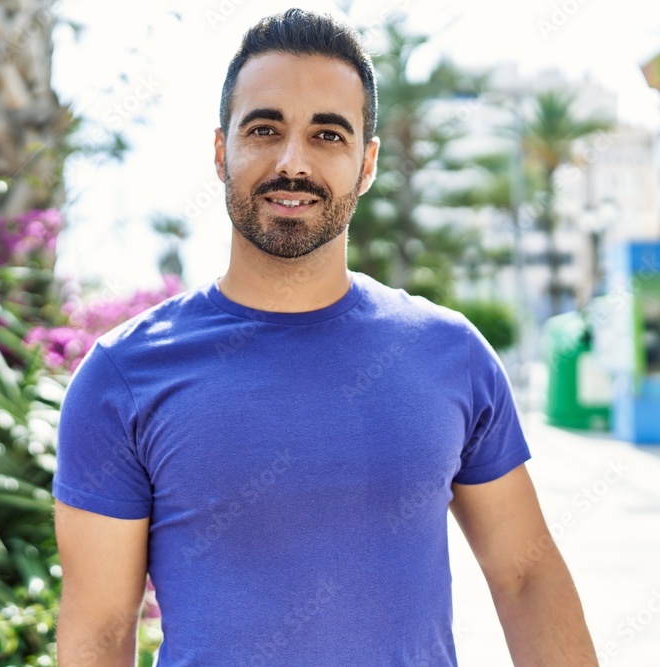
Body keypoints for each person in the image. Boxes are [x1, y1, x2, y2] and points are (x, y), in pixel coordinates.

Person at [53, 8, 597, 666]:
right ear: (221, 149)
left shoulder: (449, 355)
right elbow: (102, 631)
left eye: (327, 135)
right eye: (265, 128)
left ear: (366, 164)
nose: (292, 162)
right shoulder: (123, 375)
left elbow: (526, 577)